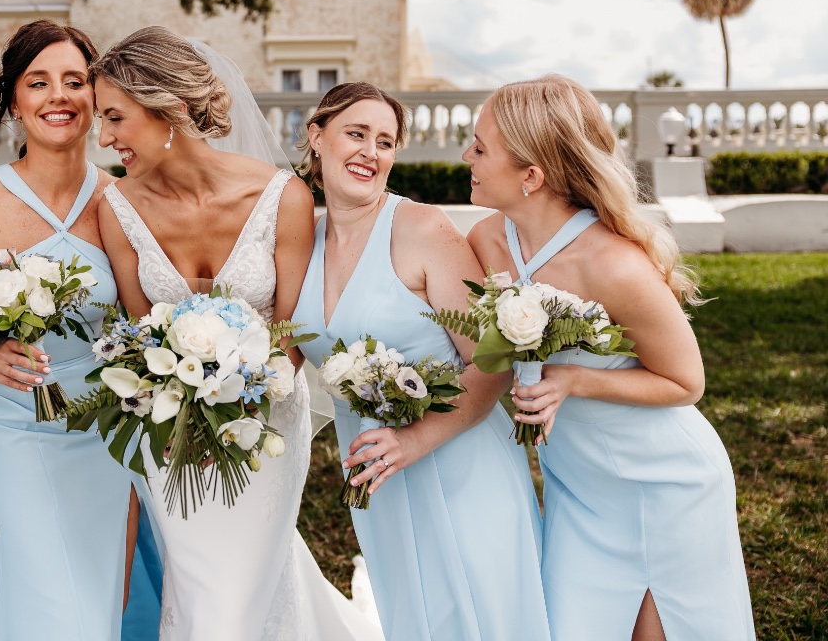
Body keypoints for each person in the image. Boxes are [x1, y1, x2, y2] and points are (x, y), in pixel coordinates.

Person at [93, 26, 380, 640]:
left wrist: (234, 400)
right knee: (200, 585)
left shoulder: (282, 197)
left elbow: (294, 329)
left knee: (245, 583)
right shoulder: (116, 208)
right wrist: (179, 412)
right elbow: (141, 334)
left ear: (166, 105)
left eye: (114, 117)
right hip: (168, 432)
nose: (104, 137)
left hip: (269, 419)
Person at [464, 74, 755, 641]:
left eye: (480, 147)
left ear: (531, 175)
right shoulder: (486, 242)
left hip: (666, 482)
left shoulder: (612, 263)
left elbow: (686, 381)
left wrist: (573, 379)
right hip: (577, 487)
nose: (466, 156)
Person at [291, 82, 551, 640]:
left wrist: (413, 440)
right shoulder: (302, 243)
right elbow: (286, 350)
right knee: (414, 615)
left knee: (482, 615)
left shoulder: (422, 229)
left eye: (385, 142)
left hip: (460, 462)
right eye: (355, 134)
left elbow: (494, 362)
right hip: (373, 473)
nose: (371, 152)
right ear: (317, 136)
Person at [0, 20, 161, 641]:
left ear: (97, 97)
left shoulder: (124, 203)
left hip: (108, 428)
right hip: (14, 427)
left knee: (100, 589)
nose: (58, 96)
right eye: (39, 82)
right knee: (52, 591)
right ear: (13, 100)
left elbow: (145, 325)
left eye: (75, 81)